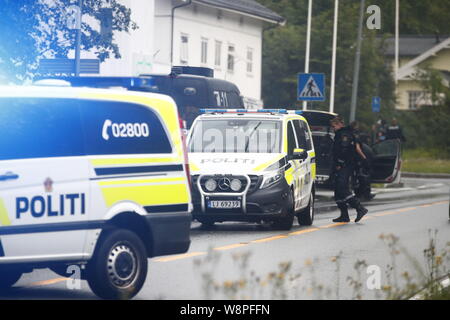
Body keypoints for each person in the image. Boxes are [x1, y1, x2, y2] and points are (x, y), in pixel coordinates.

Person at [330, 116, 369, 223]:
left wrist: (339, 163)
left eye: (334, 126)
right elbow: (357, 148)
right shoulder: (345, 133)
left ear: (340, 124)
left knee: (342, 187)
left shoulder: (344, 135)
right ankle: (344, 215)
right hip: (341, 165)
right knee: (338, 191)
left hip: (345, 165)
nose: (333, 128)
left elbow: (344, 151)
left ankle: (360, 208)